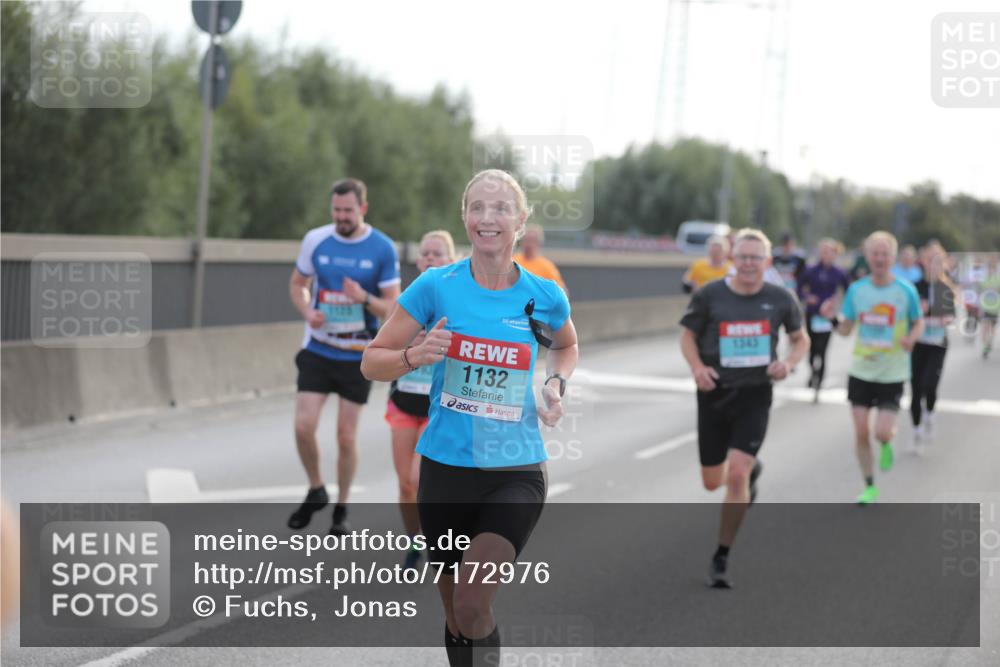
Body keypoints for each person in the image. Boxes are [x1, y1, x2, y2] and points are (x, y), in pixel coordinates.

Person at [361, 169, 578, 667]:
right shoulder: (436, 286)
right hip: (445, 467)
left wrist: (554, 383)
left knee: (473, 601)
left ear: (520, 221)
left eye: (500, 208)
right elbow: (372, 360)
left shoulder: (544, 295)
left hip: (515, 469)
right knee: (454, 611)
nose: (487, 218)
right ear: (465, 217)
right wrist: (415, 356)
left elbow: (566, 346)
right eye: (477, 207)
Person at [679, 228, 809, 589]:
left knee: (735, 474)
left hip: (755, 394)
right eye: (744, 256)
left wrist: (789, 363)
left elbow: (801, 339)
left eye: (757, 258)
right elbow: (687, 335)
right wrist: (697, 368)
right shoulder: (709, 295)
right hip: (714, 393)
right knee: (711, 482)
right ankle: (751, 471)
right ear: (733, 258)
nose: (749, 263)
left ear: (767, 262)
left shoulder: (781, 298)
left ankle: (721, 556)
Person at [287, 178, 401, 535]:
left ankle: (342, 508)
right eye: (336, 211)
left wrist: (363, 298)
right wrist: (308, 312)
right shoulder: (316, 240)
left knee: (345, 436)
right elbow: (297, 284)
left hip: (357, 355)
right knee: (303, 426)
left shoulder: (382, 248)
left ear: (362, 209)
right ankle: (317, 488)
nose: (341, 217)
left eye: (348, 211)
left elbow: (394, 309)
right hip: (319, 348)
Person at [385, 230, 457, 569]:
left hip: (437, 405)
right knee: (404, 485)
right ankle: (415, 540)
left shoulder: (457, 302)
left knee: (416, 479)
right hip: (403, 400)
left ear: (450, 261)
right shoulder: (406, 302)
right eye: (425, 254)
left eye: (437, 254)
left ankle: (438, 536)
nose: (430, 259)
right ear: (418, 261)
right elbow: (381, 347)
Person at [836, 231, 923, 505]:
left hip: (892, 372)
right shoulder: (857, 290)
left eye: (885, 253)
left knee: (881, 432)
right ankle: (869, 486)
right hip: (861, 370)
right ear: (867, 256)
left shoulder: (905, 290)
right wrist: (833, 320)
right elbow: (846, 329)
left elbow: (918, 321)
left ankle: (887, 443)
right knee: (861, 431)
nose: (880, 258)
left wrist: (912, 338)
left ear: (893, 258)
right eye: (875, 253)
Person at [910, 247, 958, 452]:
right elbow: (908, 314)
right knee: (915, 388)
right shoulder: (914, 287)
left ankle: (930, 412)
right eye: (929, 261)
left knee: (930, 385)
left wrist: (935, 315)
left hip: (937, 344)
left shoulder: (945, 289)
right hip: (918, 344)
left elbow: (950, 318)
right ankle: (916, 430)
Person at [798, 239, 850, 400]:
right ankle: (812, 371)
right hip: (812, 314)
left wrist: (838, 304)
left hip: (828, 316)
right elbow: (799, 288)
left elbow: (849, 291)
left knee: (823, 350)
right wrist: (807, 297)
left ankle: (818, 383)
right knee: (811, 349)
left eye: (829, 252)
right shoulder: (811, 270)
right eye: (823, 251)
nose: (825, 255)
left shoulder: (838, 272)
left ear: (835, 254)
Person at [514, 223, 568, 294]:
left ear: (539, 242)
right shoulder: (512, 262)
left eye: (532, 240)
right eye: (526, 240)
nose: (528, 244)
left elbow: (562, 292)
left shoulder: (546, 266)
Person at [980, 257, 1000, 359]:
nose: (990, 270)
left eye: (992, 268)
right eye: (988, 268)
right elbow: (980, 292)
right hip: (985, 308)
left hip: (995, 308)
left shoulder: (998, 279)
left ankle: (989, 343)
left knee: (992, 329)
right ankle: (985, 346)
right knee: (984, 328)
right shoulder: (984, 280)